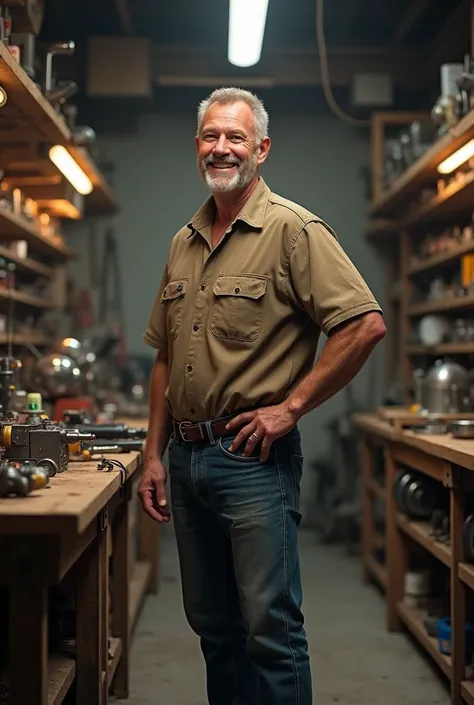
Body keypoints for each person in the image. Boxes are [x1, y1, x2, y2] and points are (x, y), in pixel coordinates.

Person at [138, 86, 386, 705]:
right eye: (211, 136)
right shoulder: (182, 242)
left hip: (253, 462)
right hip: (187, 461)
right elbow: (166, 357)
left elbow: (363, 324)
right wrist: (151, 454)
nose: (222, 148)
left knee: (269, 631)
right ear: (198, 146)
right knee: (214, 631)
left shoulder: (293, 231)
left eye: (236, 137)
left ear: (262, 149)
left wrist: (290, 408)